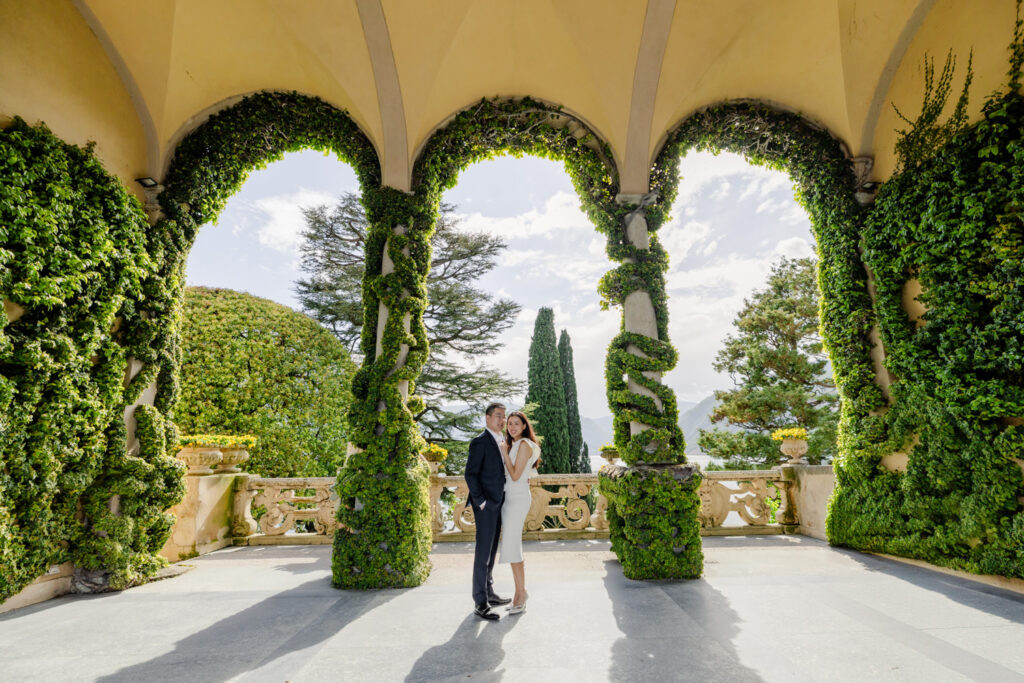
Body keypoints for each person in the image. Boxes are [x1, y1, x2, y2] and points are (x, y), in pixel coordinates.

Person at [464, 402, 512, 620]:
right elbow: (470, 474)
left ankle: (489, 591)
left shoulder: (503, 441)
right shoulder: (480, 442)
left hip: (500, 502)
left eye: (504, 416)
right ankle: (480, 602)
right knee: (483, 552)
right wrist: (481, 502)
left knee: (492, 550)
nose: (502, 420)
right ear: (487, 418)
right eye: (498, 416)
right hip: (486, 506)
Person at [497, 411, 541, 614]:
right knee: (512, 545)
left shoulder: (524, 445)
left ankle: (521, 594)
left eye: (516, 423)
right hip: (510, 498)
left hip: (517, 498)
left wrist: (504, 452)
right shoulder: (516, 444)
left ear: (524, 426)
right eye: (509, 424)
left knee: (513, 545)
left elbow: (515, 475)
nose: (512, 427)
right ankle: (518, 593)